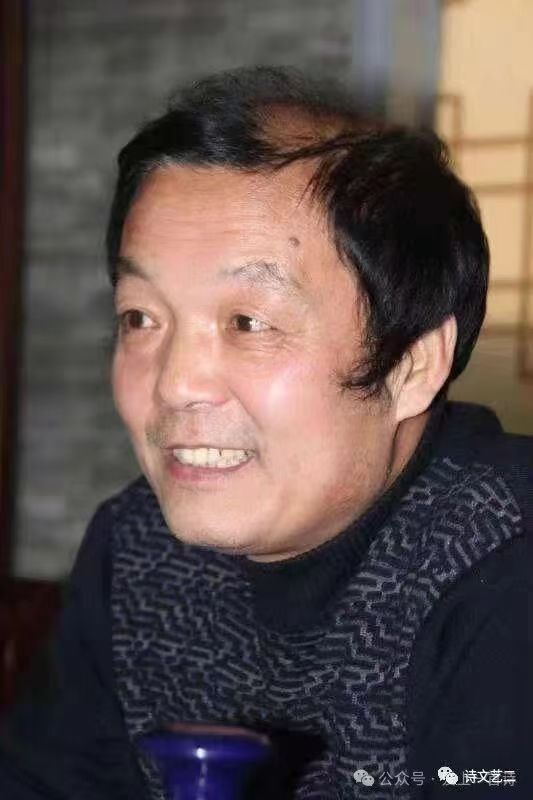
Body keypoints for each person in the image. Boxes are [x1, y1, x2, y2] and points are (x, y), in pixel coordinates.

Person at [1, 66, 531, 800]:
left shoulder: (504, 568)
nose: (175, 383)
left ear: (410, 364)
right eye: (140, 318)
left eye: (248, 322)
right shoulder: (136, 550)